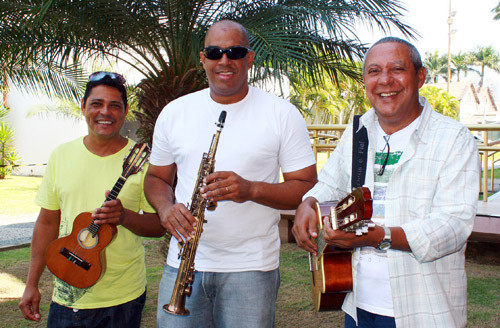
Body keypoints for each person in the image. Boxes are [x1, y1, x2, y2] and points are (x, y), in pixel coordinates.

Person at [292, 37, 480, 328]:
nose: (385, 80)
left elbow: (453, 225)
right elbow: (330, 182)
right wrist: (309, 202)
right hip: (359, 306)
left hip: (423, 310)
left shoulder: (453, 138)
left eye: (397, 69)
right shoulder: (358, 132)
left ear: (420, 76)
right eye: (374, 71)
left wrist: (379, 236)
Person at [145, 20, 317, 328]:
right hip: (182, 262)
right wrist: (166, 209)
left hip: (252, 268)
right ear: (203, 59)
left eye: (234, 52)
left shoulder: (282, 114)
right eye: (215, 52)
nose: (224, 61)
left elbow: (305, 187)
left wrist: (251, 190)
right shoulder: (174, 112)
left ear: (249, 58)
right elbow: (156, 178)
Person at [18, 72, 165, 327]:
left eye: (114, 106)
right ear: (83, 106)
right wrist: (31, 284)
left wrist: (124, 217)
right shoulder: (61, 156)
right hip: (67, 293)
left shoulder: (142, 164)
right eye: (97, 104)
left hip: (124, 298)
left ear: (125, 111)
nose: (105, 112)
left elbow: (159, 226)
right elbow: (47, 223)